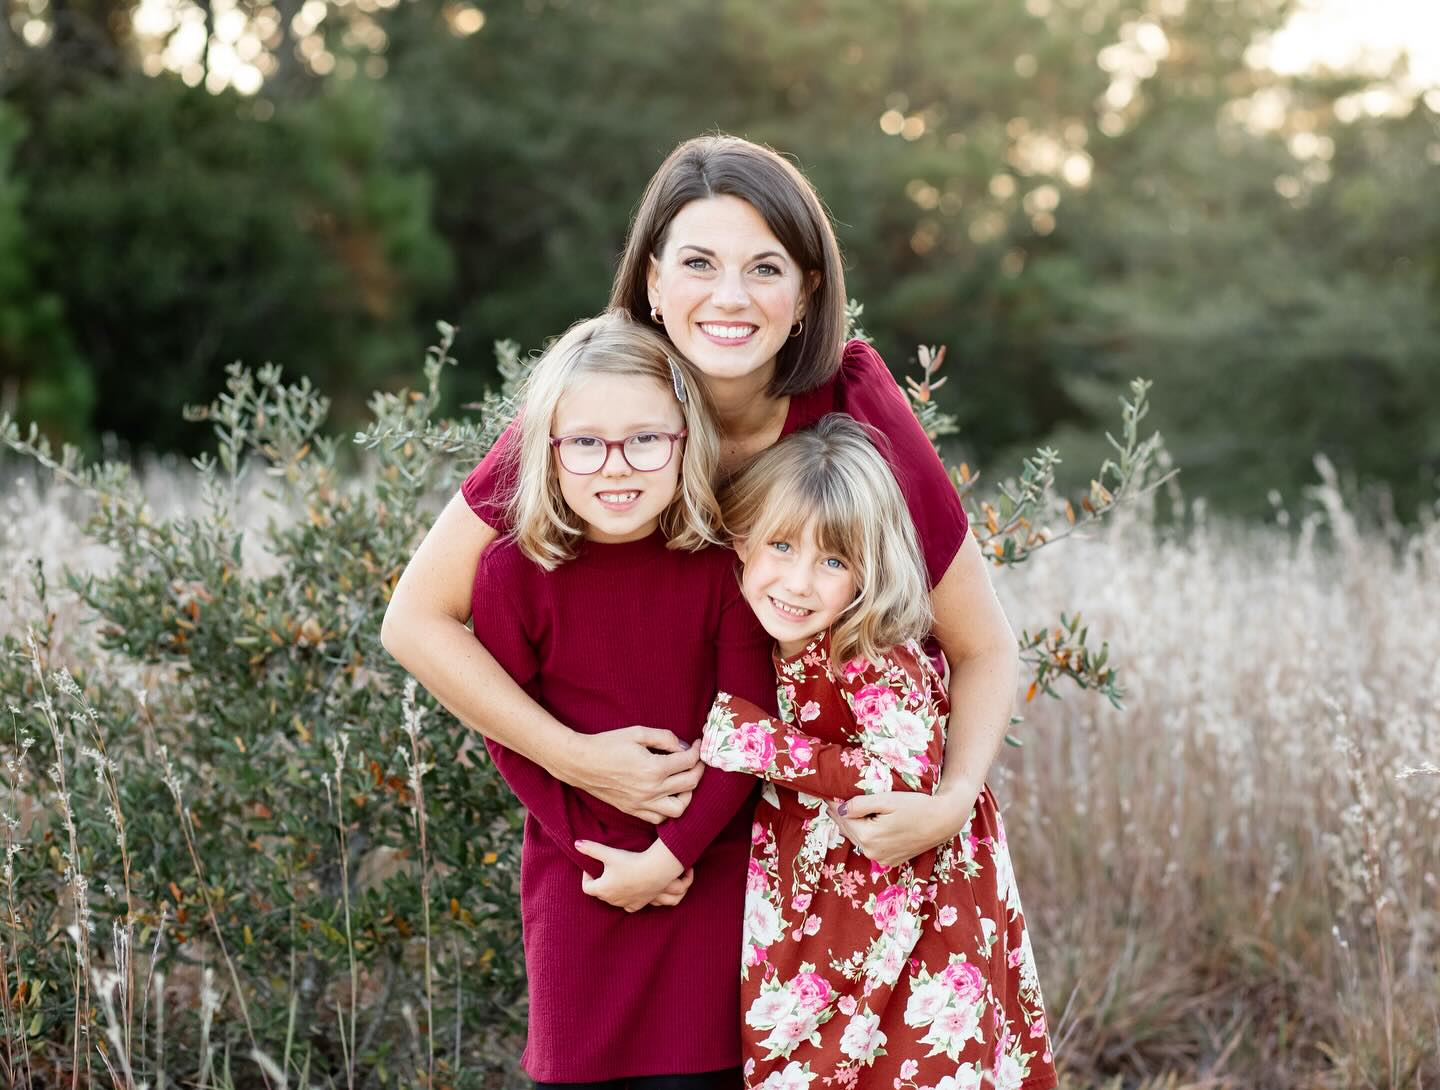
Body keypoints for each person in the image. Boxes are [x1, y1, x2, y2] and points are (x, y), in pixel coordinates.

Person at [381, 133, 1037, 1070]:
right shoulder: (602, 404)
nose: (730, 297)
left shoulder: (853, 408)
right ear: (652, 281)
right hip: (672, 842)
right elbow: (417, 619)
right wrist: (578, 760)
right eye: (698, 263)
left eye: (764, 268)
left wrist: (951, 802)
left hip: (863, 857)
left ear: (807, 292)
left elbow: (983, 646)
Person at [465, 309, 776, 1085]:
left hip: (709, 874)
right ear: (548, 450)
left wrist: (670, 857)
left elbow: (746, 730)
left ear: (685, 442)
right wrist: (600, 860)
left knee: (698, 1073)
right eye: (585, 443)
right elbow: (509, 736)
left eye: (645, 440)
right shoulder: (511, 574)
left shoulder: (721, 568)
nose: (616, 467)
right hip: (579, 879)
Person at [699, 414, 1055, 1090]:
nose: (799, 582)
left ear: (868, 571)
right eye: (781, 546)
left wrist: (761, 743)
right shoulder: (777, 640)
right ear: (741, 539)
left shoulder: (868, 653)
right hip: (831, 911)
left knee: (907, 1068)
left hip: (916, 909)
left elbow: (903, 777)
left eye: (833, 562)